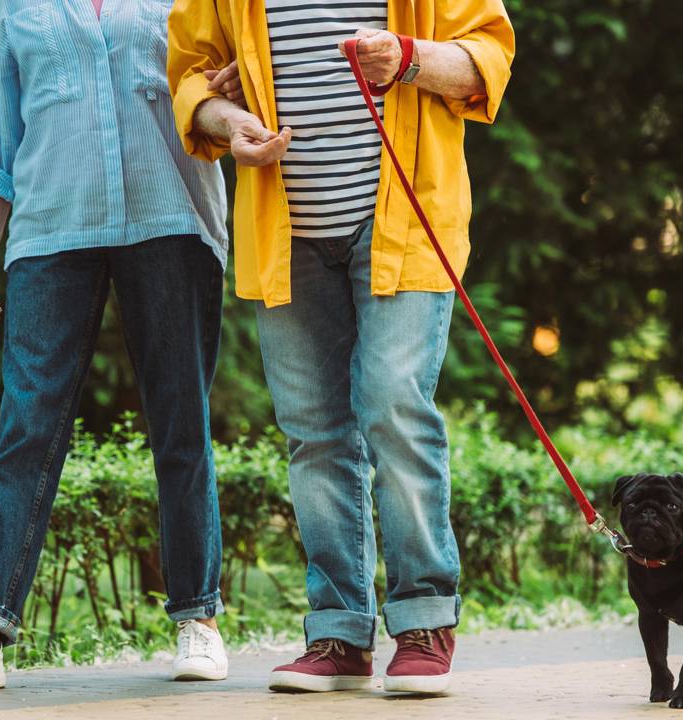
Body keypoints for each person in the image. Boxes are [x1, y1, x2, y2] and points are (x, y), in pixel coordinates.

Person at [168, 0, 514, 695]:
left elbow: (488, 56)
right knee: (313, 435)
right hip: (283, 229)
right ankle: (338, 632)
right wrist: (226, 122)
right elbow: (191, 76)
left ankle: (423, 620)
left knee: (392, 405)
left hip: (406, 221)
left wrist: (410, 58)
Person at [0, 0, 235, 690]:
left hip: (170, 217)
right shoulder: (8, 8)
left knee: (182, 424)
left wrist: (229, 94)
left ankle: (198, 620)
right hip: (52, 230)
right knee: (26, 425)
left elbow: (227, 77)